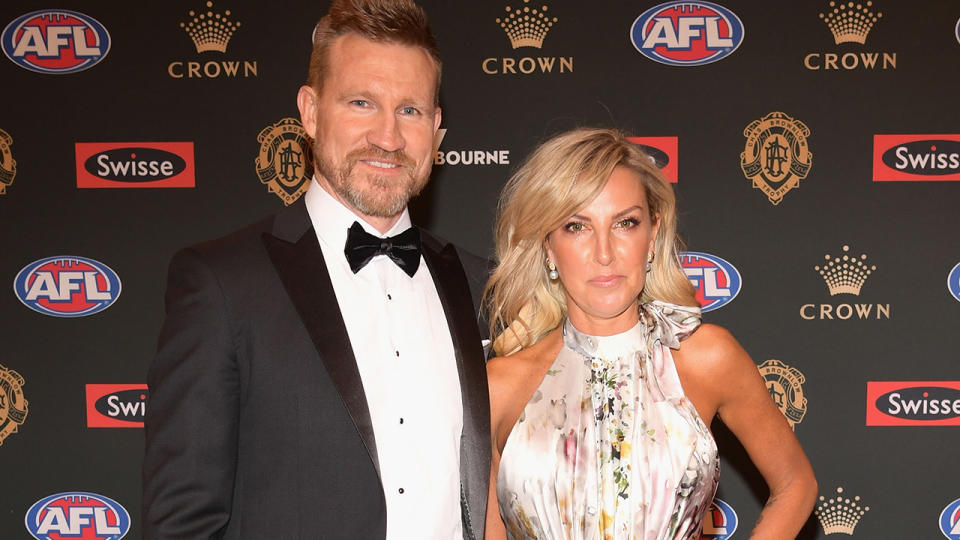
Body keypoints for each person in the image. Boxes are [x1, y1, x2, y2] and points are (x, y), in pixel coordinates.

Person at [142, 1, 490, 538]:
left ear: (437, 127)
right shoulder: (221, 284)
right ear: (309, 112)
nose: (389, 137)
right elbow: (183, 521)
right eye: (361, 102)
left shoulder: (477, 283)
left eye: (411, 111)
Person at [483, 128, 817, 539]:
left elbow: (795, 484)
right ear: (548, 247)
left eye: (625, 223)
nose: (604, 253)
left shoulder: (707, 358)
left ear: (653, 234)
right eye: (576, 226)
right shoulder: (499, 385)